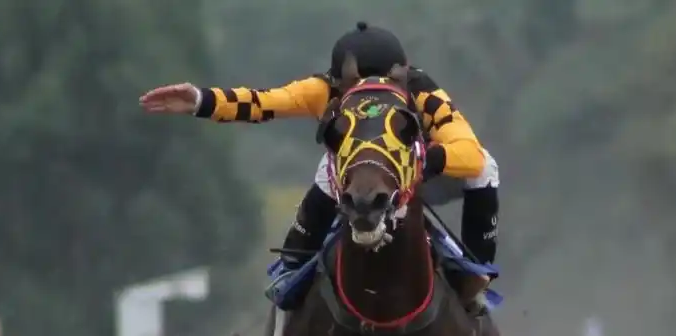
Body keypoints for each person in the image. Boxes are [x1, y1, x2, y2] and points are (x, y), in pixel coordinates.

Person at [139, 21, 499, 308]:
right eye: (358, 91)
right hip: (352, 175)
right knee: (329, 174)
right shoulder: (322, 89)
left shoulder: (425, 93)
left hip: (416, 172)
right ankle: (293, 271)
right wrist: (201, 100)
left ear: (402, 80)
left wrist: (425, 158)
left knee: (485, 168)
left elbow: (470, 151)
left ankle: (477, 274)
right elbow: (263, 103)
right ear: (339, 84)